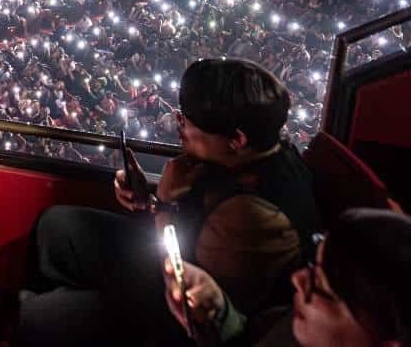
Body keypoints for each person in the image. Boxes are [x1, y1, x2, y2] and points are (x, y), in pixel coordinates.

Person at [17, 58, 319, 345]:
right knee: (55, 226)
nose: (179, 124)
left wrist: (162, 202)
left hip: (181, 309)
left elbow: (179, 274)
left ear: (236, 139)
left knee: (36, 316)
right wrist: (145, 195)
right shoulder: (251, 150)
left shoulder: (252, 215)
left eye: (188, 120)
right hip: (169, 249)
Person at [162, 209, 411, 346]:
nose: (298, 279)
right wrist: (220, 316)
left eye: (321, 287)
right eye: (313, 265)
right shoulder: (297, 328)